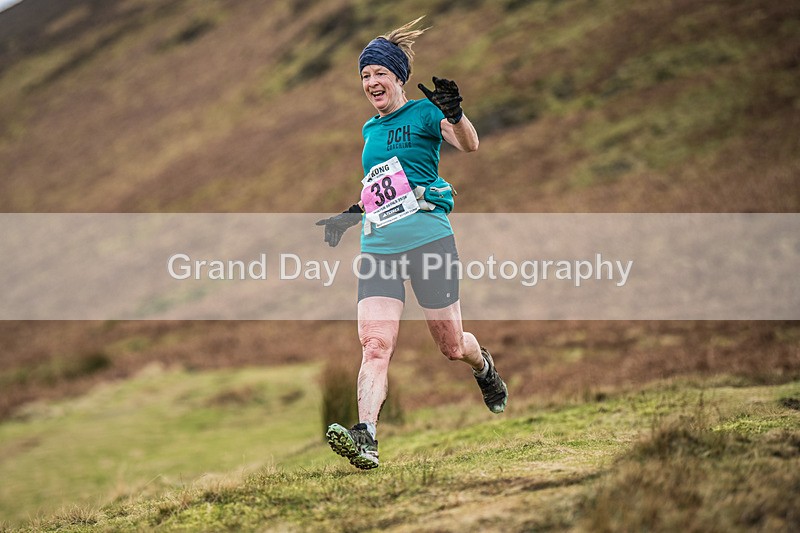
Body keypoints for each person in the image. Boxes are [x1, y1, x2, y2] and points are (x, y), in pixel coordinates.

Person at [316, 17, 507, 470]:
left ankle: (485, 369)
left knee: (451, 346)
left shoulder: (424, 113)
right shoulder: (369, 130)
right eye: (364, 75)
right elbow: (382, 185)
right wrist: (350, 215)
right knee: (375, 345)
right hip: (379, 246)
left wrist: (456, 114)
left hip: (430, 241)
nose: (371, 82)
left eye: (379, 73)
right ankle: (367, 437)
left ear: (398, 76)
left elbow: (470, 145)